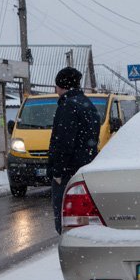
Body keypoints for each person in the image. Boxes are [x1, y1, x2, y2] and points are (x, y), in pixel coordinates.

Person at [47, 66, 101, 233]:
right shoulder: (88, 105)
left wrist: (57, 172)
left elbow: (63, 142)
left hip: (68, 172)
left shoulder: (68, 106)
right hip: (85, 169)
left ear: (61, 85)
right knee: (84, 222)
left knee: (66, 223)